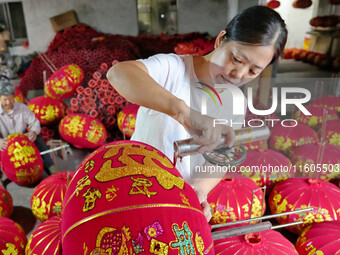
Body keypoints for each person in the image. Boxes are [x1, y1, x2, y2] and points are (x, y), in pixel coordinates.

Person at [107, 5, 288, 221]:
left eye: (253, 71)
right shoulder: (173, 69)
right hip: (135, 189)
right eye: (237, 59)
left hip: (176, 201)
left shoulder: (235, 101)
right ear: (221, 40)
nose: (238, 74)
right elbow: (118, 73)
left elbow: (221, 155)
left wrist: (199, 190)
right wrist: (183, 113)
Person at [0, 81, 57, 176]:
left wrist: (33, 132)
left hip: (23, 138)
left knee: (39, 140)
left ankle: (50, 165)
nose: (8, 102)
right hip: (5, 142)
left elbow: (34, 122)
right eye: (5, 99)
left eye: (11, 99)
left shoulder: (22, 108)